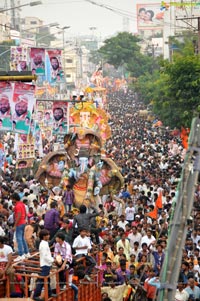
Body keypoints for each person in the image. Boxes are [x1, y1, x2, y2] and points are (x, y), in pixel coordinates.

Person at [33, 229, 55, 301]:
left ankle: (49, 292)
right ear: (44, 236)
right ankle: (36, 295)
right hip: (45, 264)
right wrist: (52, 260)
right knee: (42, 280)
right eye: (47, 235)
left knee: (47, 280)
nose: (49, 236)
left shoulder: (45, 243)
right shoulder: (43, 244)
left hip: (46, 264)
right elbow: (45, 256)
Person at [12, 192, 30, 262]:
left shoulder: (17, 206)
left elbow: (18, 215)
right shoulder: (22, 204)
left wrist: (15, 225)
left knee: (19, 239)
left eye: (12, 199)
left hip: (19, 223)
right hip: (23, 222)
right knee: (22, 238)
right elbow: (25, 213)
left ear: (14, 199)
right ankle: (26, 252)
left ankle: (21, 254)